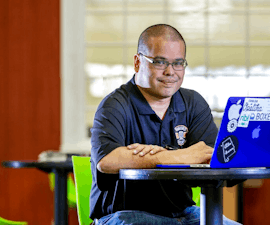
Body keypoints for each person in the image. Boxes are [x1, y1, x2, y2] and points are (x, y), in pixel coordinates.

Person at [90, 24, 242, 225]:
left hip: (183, 215)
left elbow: (210, 155)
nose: (171, 71)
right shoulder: (115, 104)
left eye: (178, 63)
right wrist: (179, 155)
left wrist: (157, 154)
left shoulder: (193, 103)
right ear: (137, 62)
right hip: (125, 214)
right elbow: (108, 160)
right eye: (160, 62)